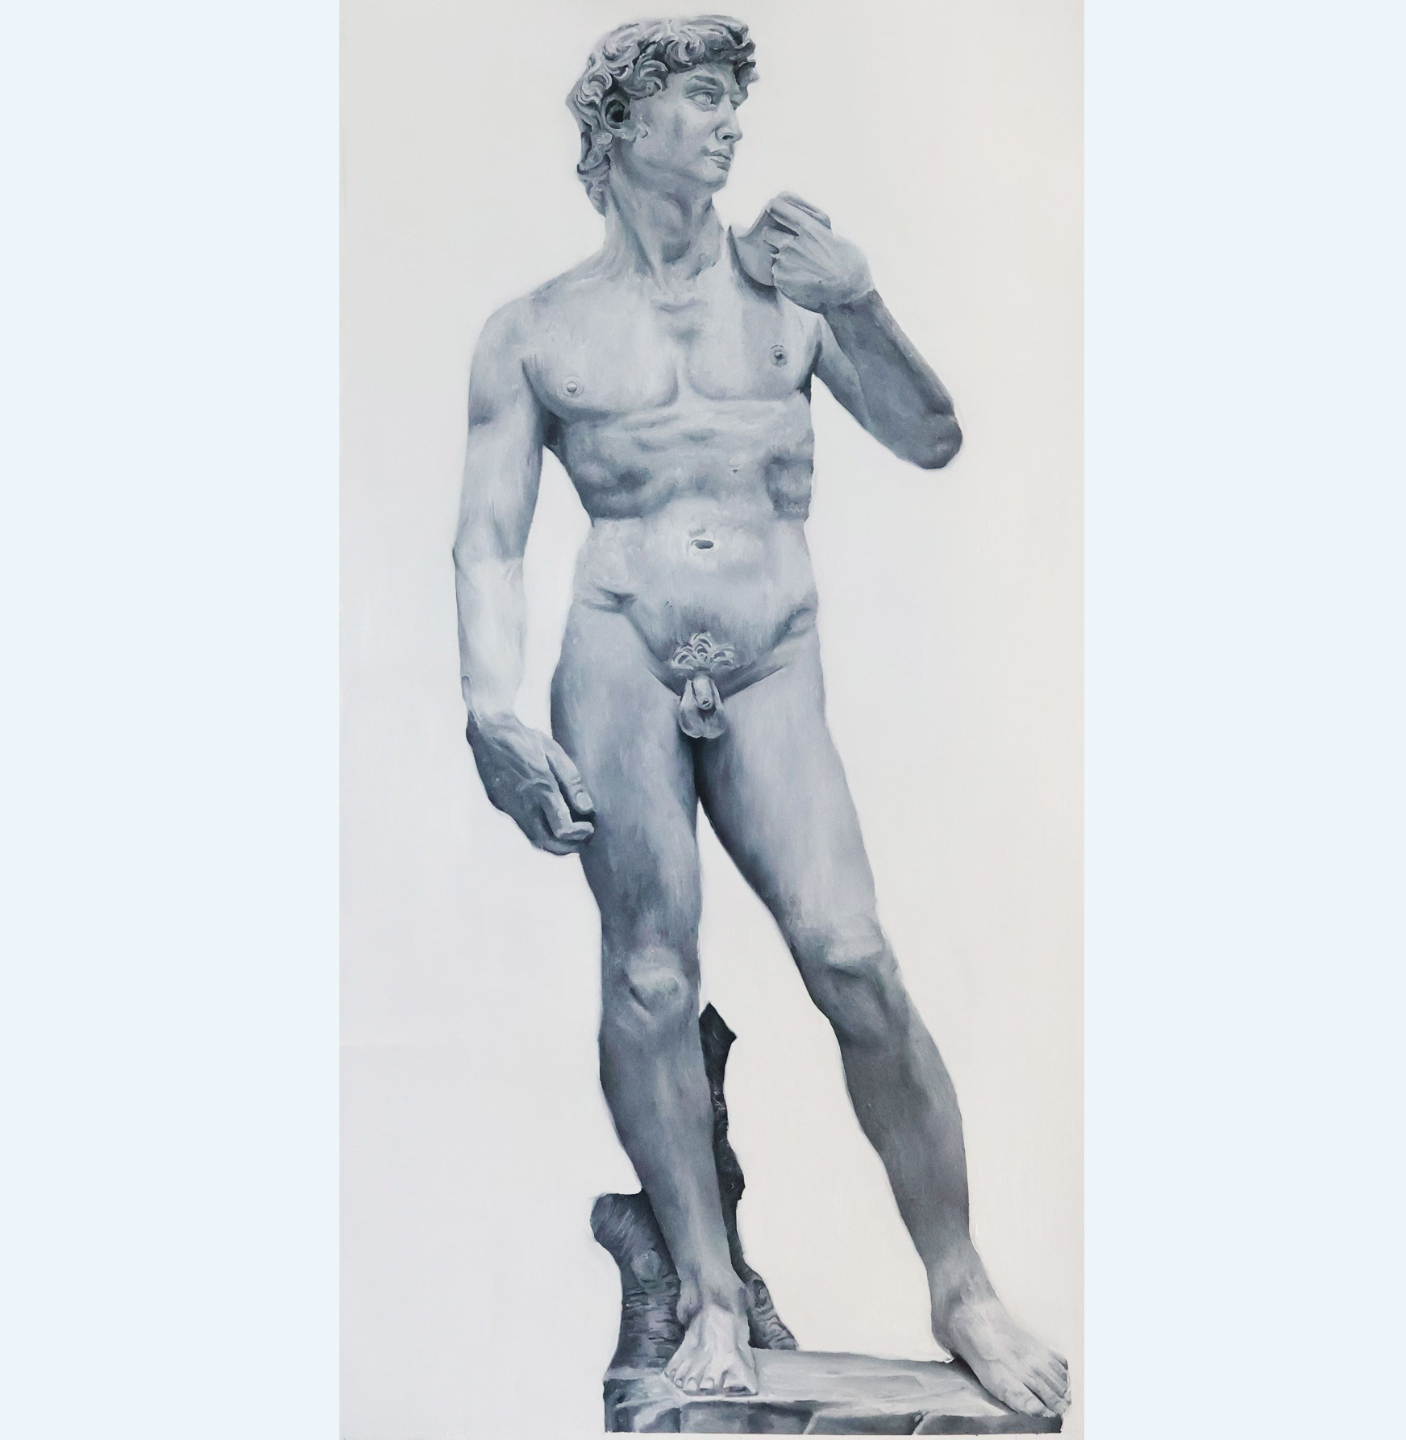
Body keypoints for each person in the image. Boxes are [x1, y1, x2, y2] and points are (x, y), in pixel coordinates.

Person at [452, 16, 1068, 1419]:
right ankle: (711, 1295)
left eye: (735, 98)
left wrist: (865, 302)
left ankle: (961, 1285)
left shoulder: (795, 290)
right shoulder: (536, 332)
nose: (730, 121)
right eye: (700, 97)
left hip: (771, 657)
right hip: (620, 651)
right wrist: (490, 710)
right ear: (622, 124)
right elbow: (488, 539)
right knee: (651, 978)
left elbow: (931, 436)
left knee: (852, 956)